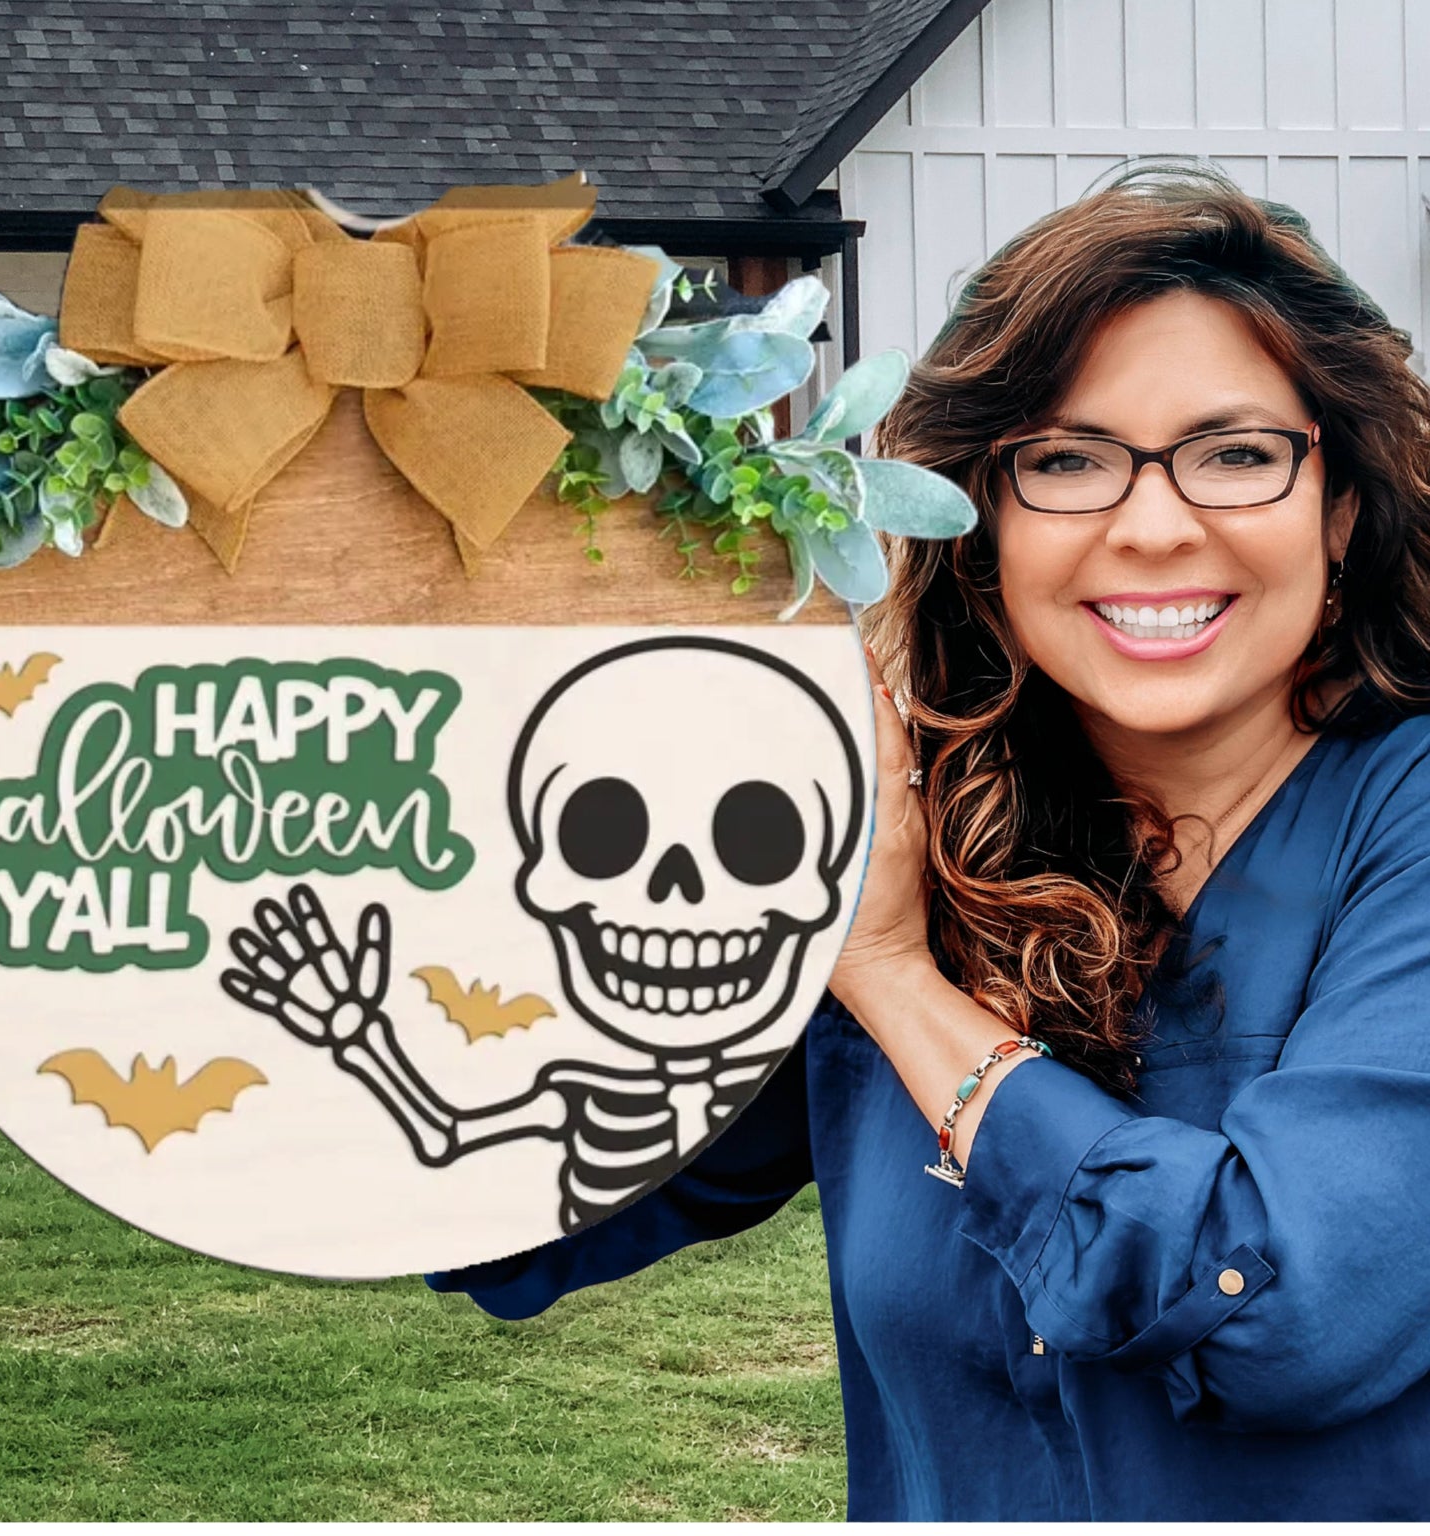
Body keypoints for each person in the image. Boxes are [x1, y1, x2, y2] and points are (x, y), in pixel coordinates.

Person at [428, 161, 1430, 1520]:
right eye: (1066, 461)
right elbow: (513, 1199)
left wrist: (898, 981)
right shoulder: (907, 827)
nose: (1151, 526)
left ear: (1343, 505)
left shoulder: (1399, 826)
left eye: (1236, 453)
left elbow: (1284, 1309)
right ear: (982, 526)